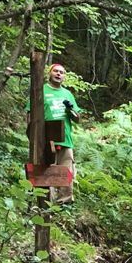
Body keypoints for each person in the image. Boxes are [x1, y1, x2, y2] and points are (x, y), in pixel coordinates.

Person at [28, 62, 81, 203]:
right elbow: (30, 113)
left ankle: (64, 202)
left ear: (64, 77)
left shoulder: (67, 94)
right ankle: (46, 203)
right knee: (46, 172)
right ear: (49, 73)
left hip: (66, 139)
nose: (58, 74)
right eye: (56, 71)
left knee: (66, 172)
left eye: (61, 72)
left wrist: (71, 110)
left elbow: (77, 119)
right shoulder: (41, 90)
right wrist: (32, 135)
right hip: (45, 139)